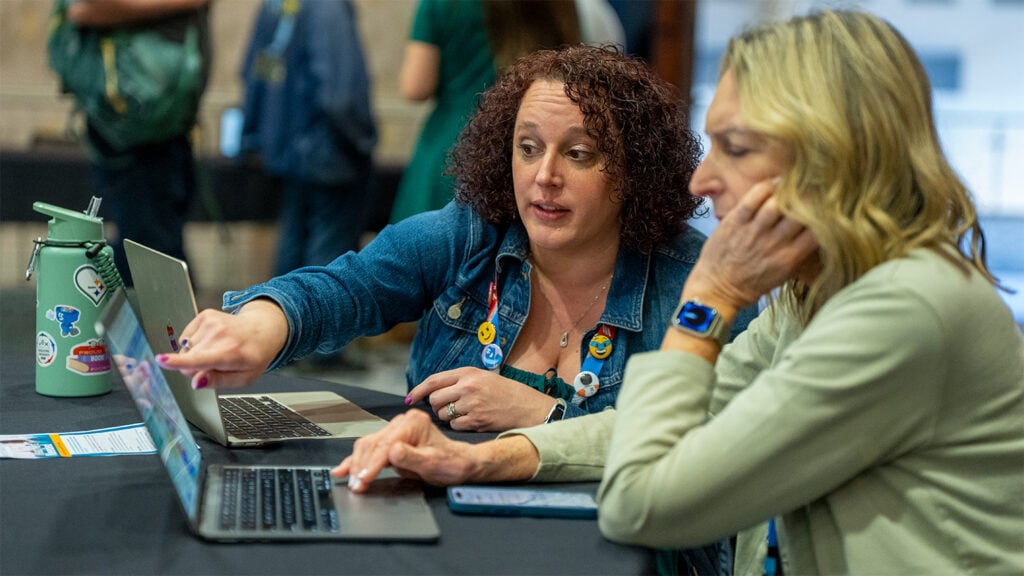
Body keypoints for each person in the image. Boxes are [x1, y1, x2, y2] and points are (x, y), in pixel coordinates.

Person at [333, 10, 1024, 575]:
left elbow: (645, 504)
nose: (703, 180)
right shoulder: (826, 289)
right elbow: (663, 423)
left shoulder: (900, 310)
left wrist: (711, 299)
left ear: (832, 156)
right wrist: (478, 459)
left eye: (738, 147)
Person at [156, 44, 757, 432]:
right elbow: (351, 286)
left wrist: (551, 415)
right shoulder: (472, 233)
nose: (544, 176)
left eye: (579, 154)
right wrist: (263, 324)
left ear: (633, 173)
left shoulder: (697, 282)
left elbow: (710, 450)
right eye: (527, 148)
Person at [388, 0, 623, 224]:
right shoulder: (559, 4)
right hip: (526, 146)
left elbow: (416, 86)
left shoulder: (443, 4)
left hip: (450, 146)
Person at [63, 0, 211, 287]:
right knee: (150, 263)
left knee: (157, 257)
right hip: (132, 130)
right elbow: (82, 8)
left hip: (167, 128)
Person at [239, 0, 377, 277]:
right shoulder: (329, 8)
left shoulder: (275, 5)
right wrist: (364, 139)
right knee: (327, 271)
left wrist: (257, 136)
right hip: (329, 154)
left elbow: (253, 72)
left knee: (292, 251)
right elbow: (340, 95)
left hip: (286, 151)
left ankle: (281, 318)